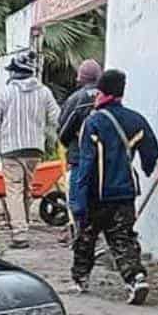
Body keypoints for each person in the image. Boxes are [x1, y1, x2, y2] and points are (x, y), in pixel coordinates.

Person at [68, 67, 158, 304]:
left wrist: (78, 200)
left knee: (86, 238)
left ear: (102, 93)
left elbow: (86, 163)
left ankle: (80, 279)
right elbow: (151, 152)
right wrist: (149, 168)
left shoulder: (94, 122)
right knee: (124, 239)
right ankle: (136, 278)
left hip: (96, 195)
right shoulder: (136, 120)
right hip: (125, 193)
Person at [0, 49, 60, 248]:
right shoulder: (44, 92)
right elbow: (57, 118)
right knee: (27, 188)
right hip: (34, 150)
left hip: (11, 150)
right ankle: (23, 224)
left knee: (14, 189)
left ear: (14, 72)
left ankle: (20, 234)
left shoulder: (6, 93)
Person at [56, 59, 102, 245]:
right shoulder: (106, 96)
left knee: (78, 196)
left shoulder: (76, 99)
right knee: (98, 197)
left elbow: (63, 129)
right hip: (103, 160)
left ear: (80, 78)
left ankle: (81, 234)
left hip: (79, 156)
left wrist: (69, 145)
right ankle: (96, 233)